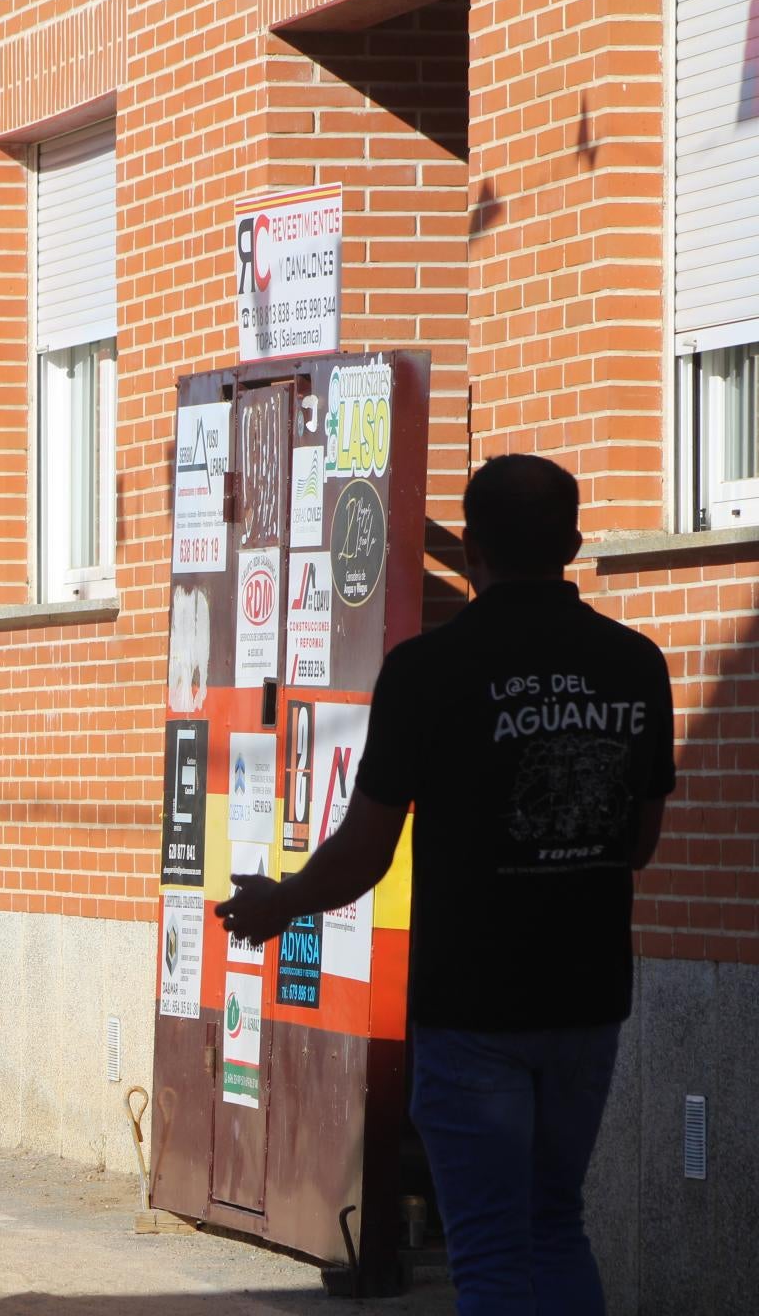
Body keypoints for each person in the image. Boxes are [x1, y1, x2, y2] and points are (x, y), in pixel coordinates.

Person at [215, 454, 675, 1316]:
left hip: (473, 1011)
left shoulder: (430, 670)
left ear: (470, 552)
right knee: (554, 1225)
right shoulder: (636, 665)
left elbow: (366, 852)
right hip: (587, 1000)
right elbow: (640, 844)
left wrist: (280, 901)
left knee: (493, 1253)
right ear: (573, 544)